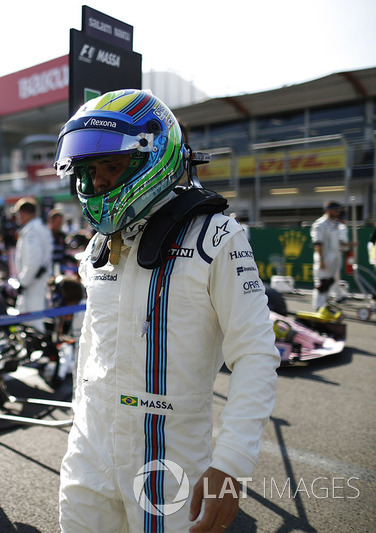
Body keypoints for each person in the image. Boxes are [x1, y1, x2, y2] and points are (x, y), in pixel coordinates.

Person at [54, 89, 280, 532]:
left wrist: (231, 464)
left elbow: (255, 353)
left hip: (167, 459)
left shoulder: (217, 236)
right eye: (89, 170)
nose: (98, 182)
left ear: (153, 154)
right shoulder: (99, 246)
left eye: (111, 166)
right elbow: (90, 351)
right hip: (89, 451)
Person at [12, 197, 52, 332]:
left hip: (32, 285)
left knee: (31, 323)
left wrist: (23, 282)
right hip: (37, 283)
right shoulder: (40, 228)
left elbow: (32, 261)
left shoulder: (31, 232)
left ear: (23, 213)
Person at [310, 200, 344, 310]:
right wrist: (321, 260)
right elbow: (318, 243)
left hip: (334, 259)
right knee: (322, 284)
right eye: (335, 210)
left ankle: (325, 307)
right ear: (328, 210)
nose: (338, 212)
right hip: (324, 259)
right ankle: (318, 308)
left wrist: (349, 244)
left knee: (330, 282)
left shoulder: (335, 224)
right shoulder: (319, 224)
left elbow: (337, 242)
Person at [48, 208, 68, 275]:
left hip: (60, 269)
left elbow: (64, 251)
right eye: (57, 222)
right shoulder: (46, 235)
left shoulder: (62, 235)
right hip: (48, 270)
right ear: (51, 221)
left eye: (61, 222)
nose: (59, 224)